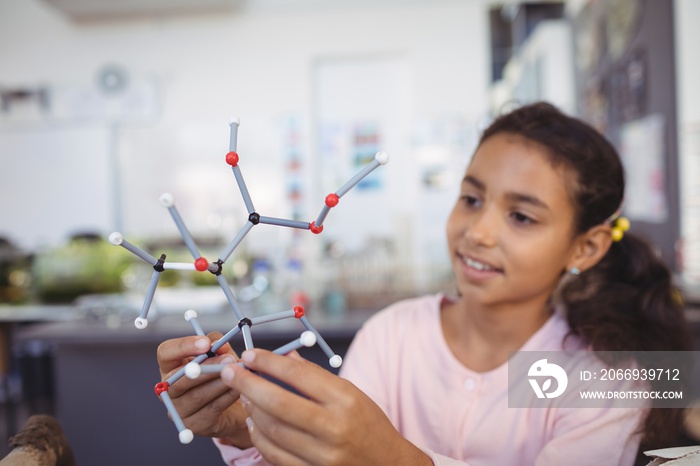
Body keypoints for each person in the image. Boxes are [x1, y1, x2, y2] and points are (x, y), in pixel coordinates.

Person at [156, 102, 691, 465]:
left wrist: (394, 458)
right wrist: (246, 431)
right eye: (472, 198)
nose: (478, 232)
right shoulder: (395, 335)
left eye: (521, 217)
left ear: (586, 247)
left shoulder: (603, 378)